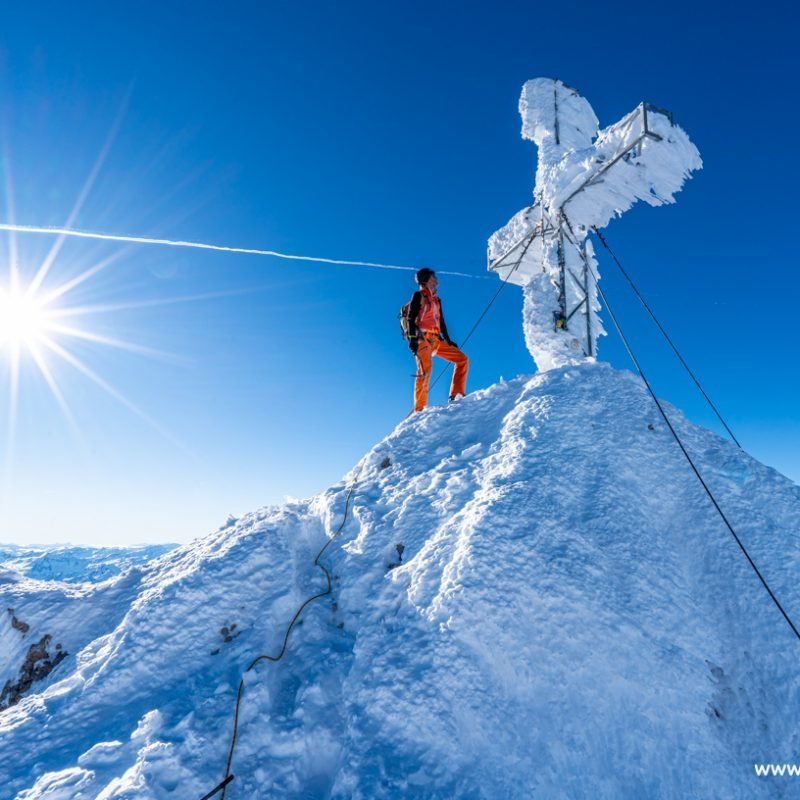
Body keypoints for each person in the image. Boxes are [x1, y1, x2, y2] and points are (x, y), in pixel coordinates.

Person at [407, 268, 469, 412]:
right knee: (425, 371)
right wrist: (412, 339)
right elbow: (411, 318)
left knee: (462, 359)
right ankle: (420, 409)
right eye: (434, 277)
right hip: (422, 339)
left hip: (436, 340)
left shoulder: (437, 300)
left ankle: (456, 394)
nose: (436, 280)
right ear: (426, 279)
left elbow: (441, 322)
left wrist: (448, 339)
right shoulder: (418, 296)